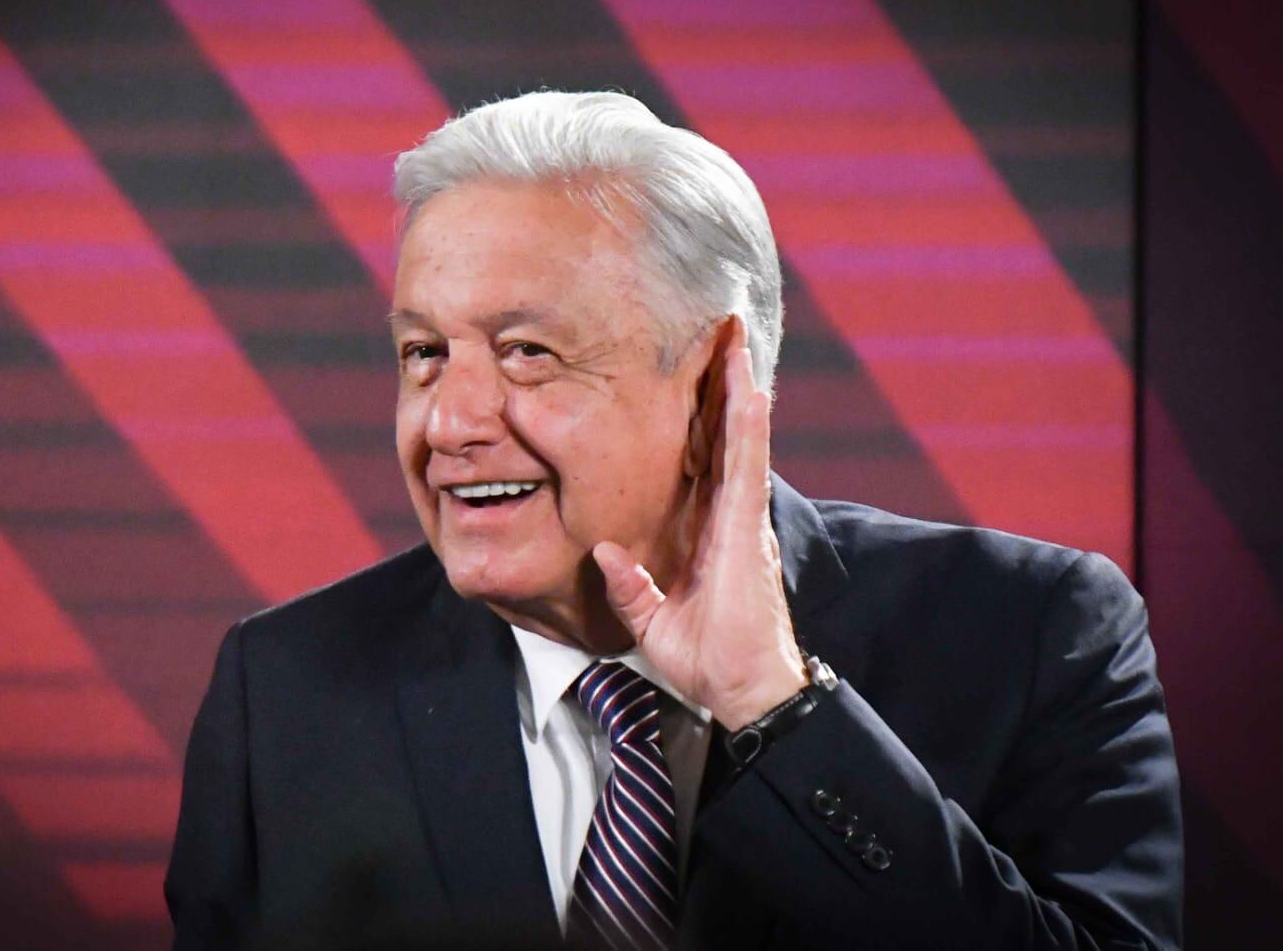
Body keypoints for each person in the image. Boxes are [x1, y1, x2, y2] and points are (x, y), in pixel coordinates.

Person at [165, 91, 1182, 950]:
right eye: (424, 353)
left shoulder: (1031, 635)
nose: (449, 424)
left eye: (526, 353)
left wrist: (778, 706)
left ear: (713, 383)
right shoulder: (284, 689)